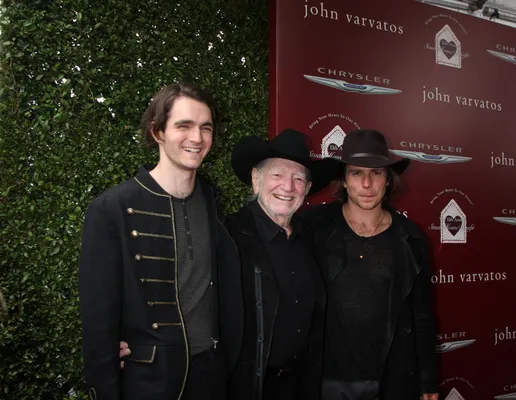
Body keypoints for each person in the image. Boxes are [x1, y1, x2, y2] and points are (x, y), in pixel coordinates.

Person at [79, 82, 242, 400]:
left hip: (212, 375)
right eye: (184, 125)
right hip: (151, 380)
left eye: (205, 128)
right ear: (157, 132)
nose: (197, 138)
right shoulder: (112, 208)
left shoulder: (210, 198)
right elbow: (98, 319)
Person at [304, 129, 439, 400]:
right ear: (343, 180)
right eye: (356, 173)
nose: (367, 184)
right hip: (326, 381)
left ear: (388, 180)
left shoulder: (411, 238)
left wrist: (428, 380)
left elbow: (422, 316)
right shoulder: (311, 228)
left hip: (392, 381)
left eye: (376, 173)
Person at [226, 129, 337, 400]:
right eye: (277, 175)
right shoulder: (226, 236)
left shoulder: (311, 238)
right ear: (256, 179)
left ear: (308, 189)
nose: (288, 187)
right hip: (244, 389)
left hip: (300, 386)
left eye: (298, 178)